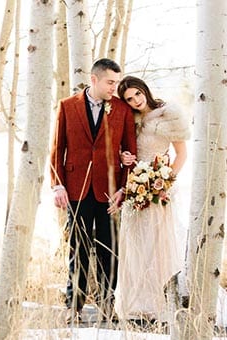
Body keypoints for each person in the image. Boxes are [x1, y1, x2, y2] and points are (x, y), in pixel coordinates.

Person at [49, 59, 137, 324]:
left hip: (110, 193)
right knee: (79, 250)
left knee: (109, 251)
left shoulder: (122, 110)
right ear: (94, 79)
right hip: (76, 189)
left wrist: (124, 188)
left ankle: (108, 307)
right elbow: (57, 148)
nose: (115, 88)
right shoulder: (67, 106)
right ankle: (72, 307)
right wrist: (58, 185)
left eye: (117, 83)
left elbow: (130, 152)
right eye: (111, 82)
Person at [113, 76, 191, 324]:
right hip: (134, 188)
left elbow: (181, 154)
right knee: (134, 246)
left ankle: (159, 303)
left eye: (137, 94)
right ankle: (136, 304)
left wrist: (165, 182)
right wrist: (124, 157)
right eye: (129, 99)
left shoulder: (168, 114)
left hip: (159, 190)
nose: (136, 101)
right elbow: (125, 150)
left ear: (144, 89)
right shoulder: (130, 120)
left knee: (157, 244)